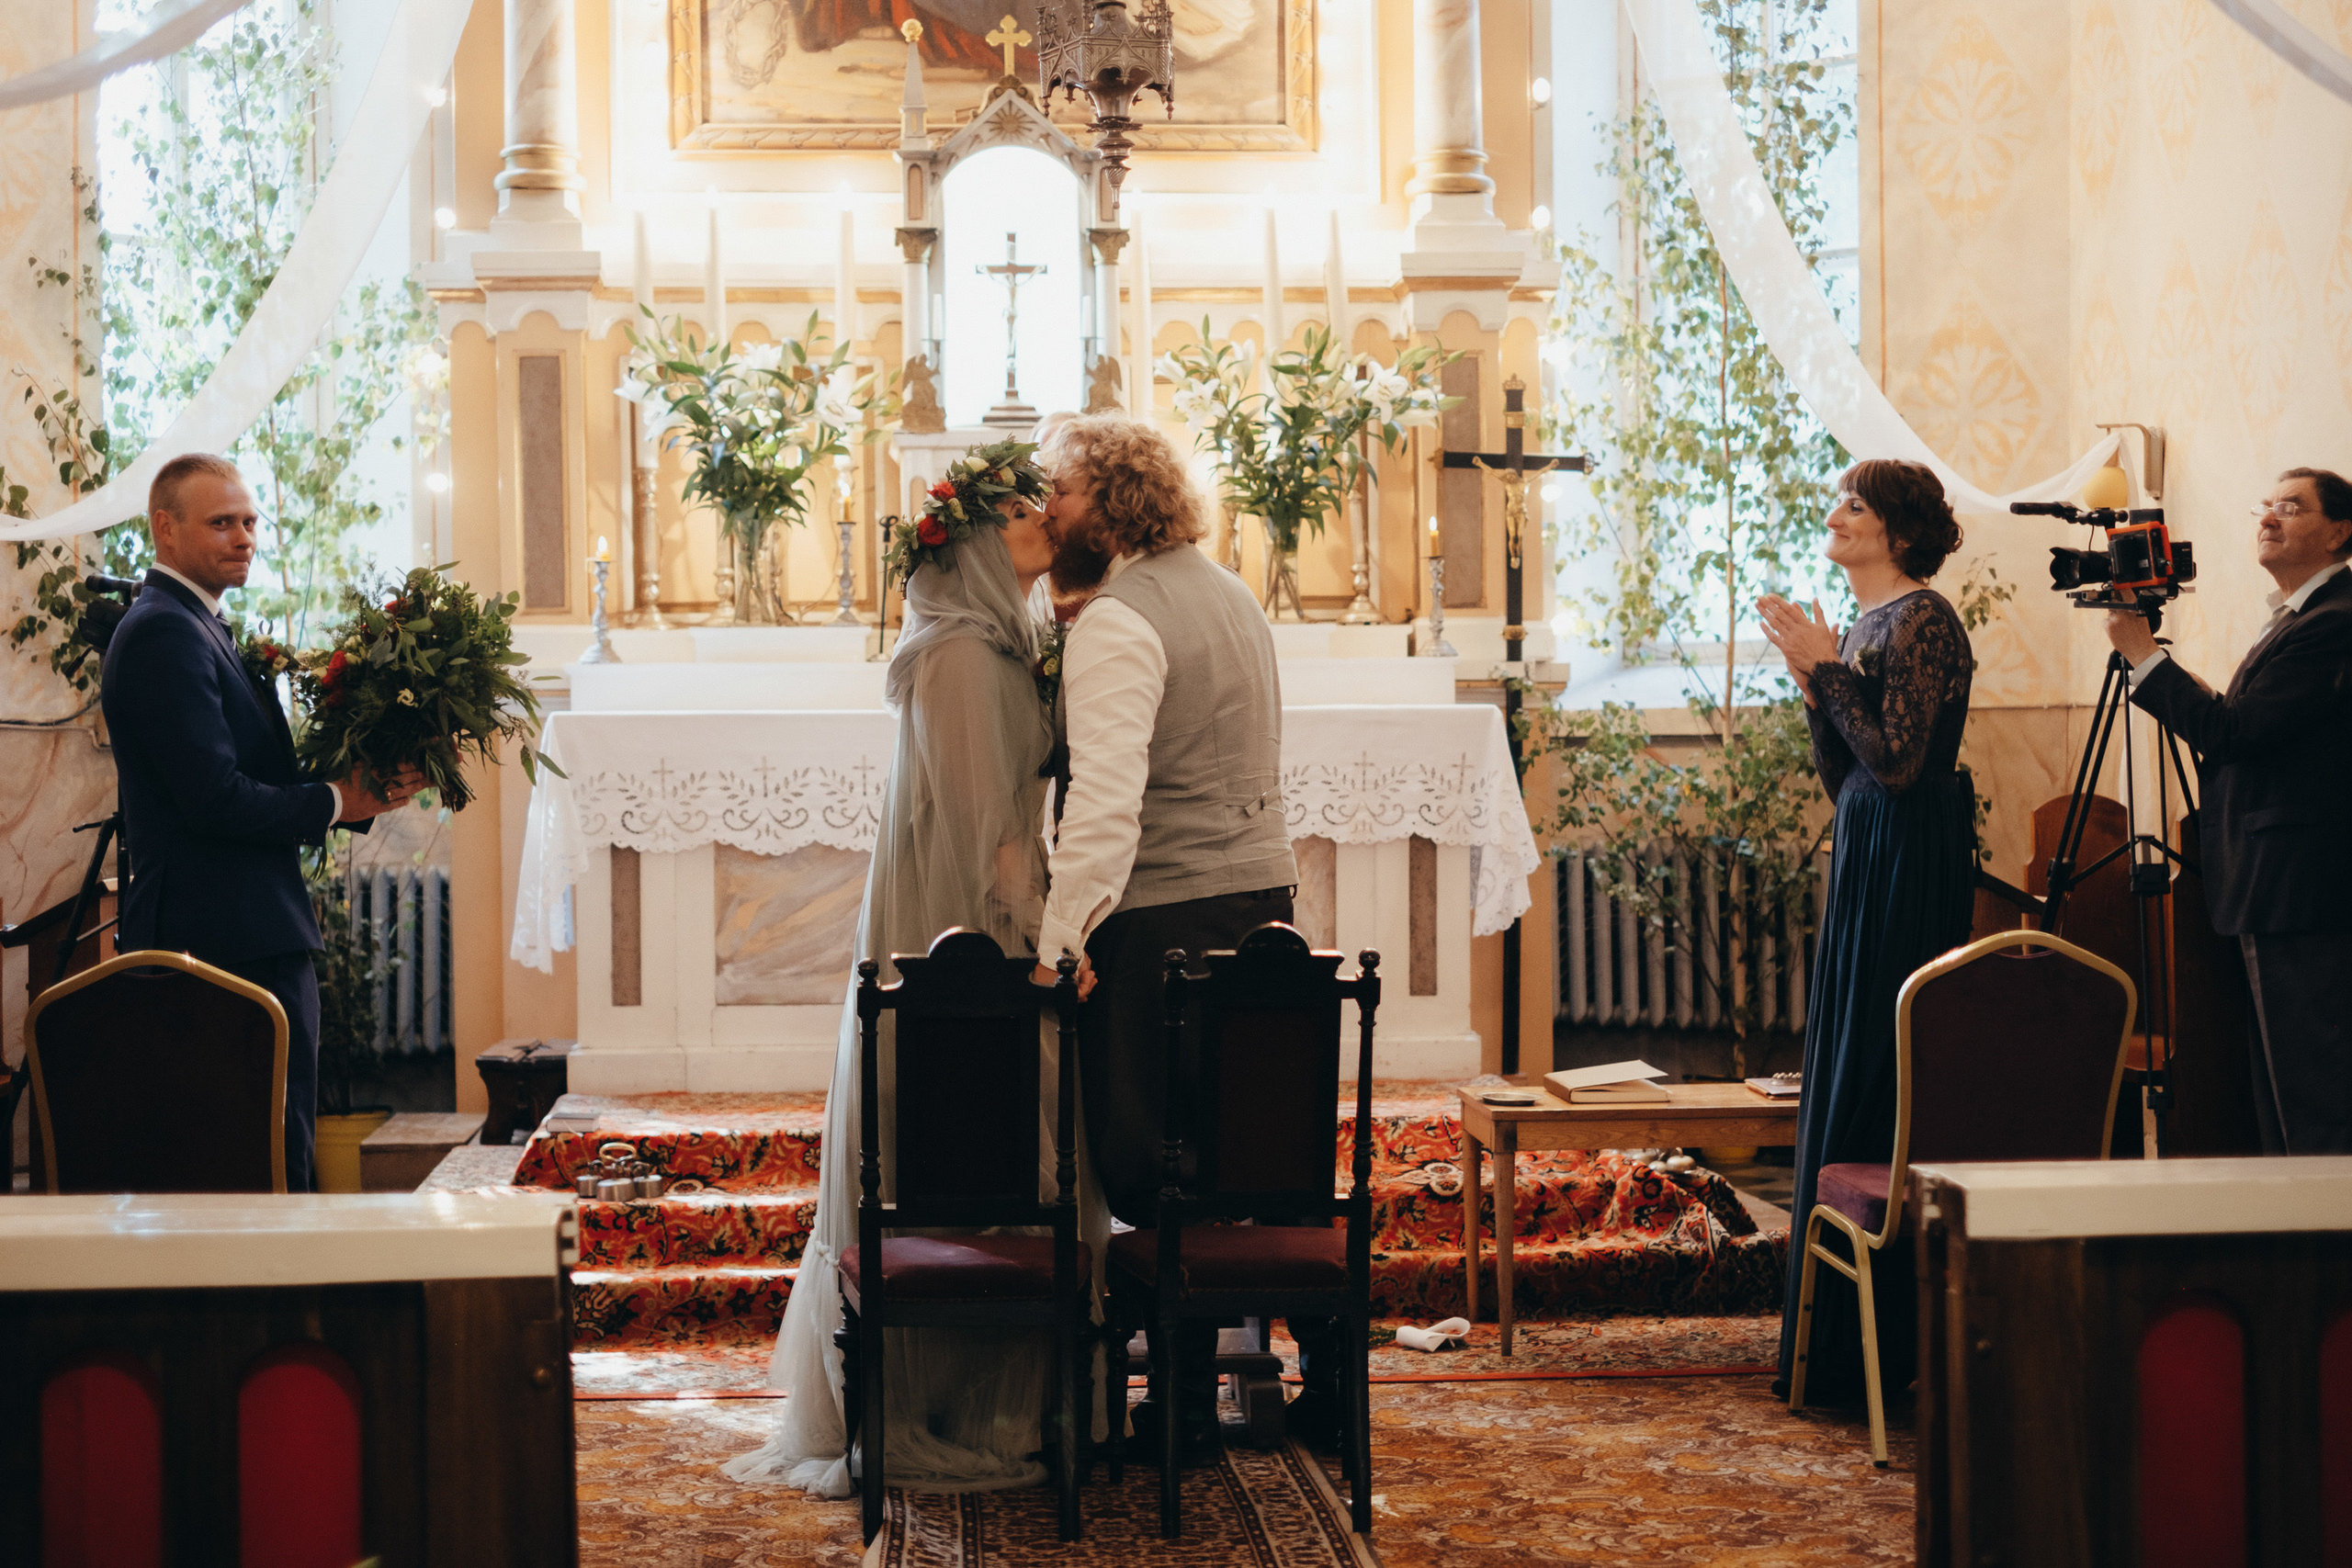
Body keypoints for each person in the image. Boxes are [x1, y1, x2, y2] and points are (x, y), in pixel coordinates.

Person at [725, 444, 1107, 1497]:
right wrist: (1045, 952)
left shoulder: (989, 641)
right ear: (977, 541)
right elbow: (991, 843)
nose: (1040, 517)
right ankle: (951, 1401)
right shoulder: (961, 659)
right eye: (1017, 511)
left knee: (1005, 1158)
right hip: (966, 945)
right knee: (982, 1152)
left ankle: (1000, 1388)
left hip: (979, 926)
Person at [1027, 414, 1329, 1462]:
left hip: (1166, 917)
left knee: (1156, 1157)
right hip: (1263, 899)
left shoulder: (1119, 618)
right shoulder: (1230, 591)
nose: (1044, 510)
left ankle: (1185, 1407)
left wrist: (1062, 938)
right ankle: (1315, 1391)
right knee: (1247, 1140)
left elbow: (1106, 803)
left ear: (1108, 500)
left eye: (1057, 490)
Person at [99, 453, 422, 1193]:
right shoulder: (162, 632)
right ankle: (274, 1308)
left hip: (243, 931)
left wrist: (362, 779)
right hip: (218, 940)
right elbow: (213, 798)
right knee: (252, 1158)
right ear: (165, 528)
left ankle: (282, 1303)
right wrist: (339, 799)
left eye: (248, 521)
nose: (244, 536)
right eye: (221, 522)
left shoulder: (197, 624)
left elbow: (251, 777)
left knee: (274, 1147)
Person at [1756, 458, 1975, 1404]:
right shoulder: (1864, 624)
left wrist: (1828, 669)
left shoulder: (1922, 618)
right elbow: (1839, 775)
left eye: (1856, 505)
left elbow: (1895, 764)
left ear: (1897, 530)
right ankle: (1834, 1351)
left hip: (1907, 859)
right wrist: (1816, 684)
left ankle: (1879, 1346)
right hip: (1867, 848)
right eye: (1840, 499)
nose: (1835, 513)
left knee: (1886, 1072)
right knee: (1848, 1062)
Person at [2108, 467, 2352, 1154]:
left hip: (2299, 895)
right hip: (2272, 888)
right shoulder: (2300, 618)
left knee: (2314, 1105)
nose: (2269, 518)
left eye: (2291, 507)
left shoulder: (2333, 621)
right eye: (2266, 506)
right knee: (2280, 1105)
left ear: (2340, 532)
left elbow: (2233, 732)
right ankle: (2288, 1248)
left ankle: (2323, 1254)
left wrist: (2142, 656)